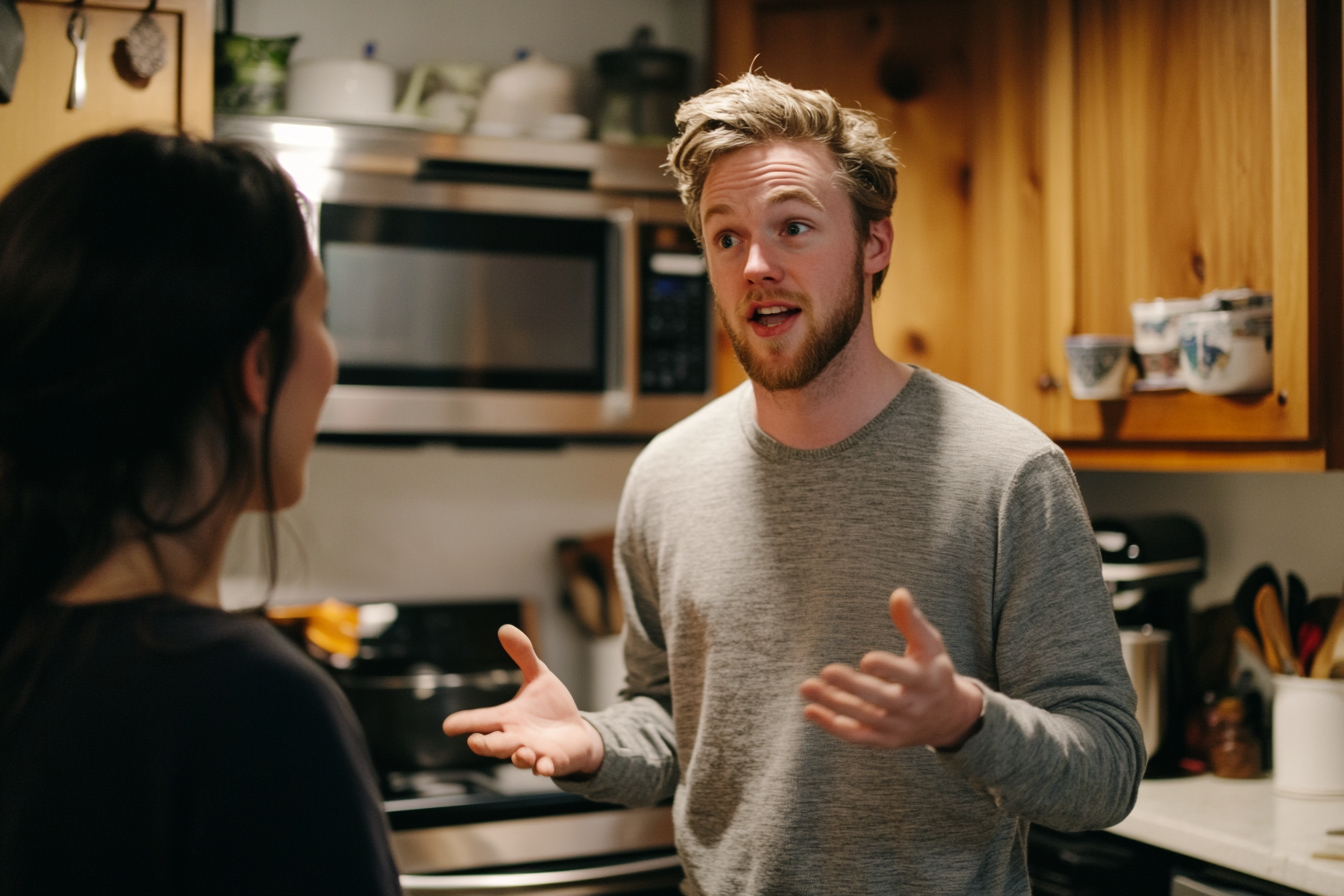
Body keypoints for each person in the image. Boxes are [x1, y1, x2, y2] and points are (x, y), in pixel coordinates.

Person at [444, 73, 1145, 895]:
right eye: (726, 237)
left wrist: (968, 723)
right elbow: (671, 723)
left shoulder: (1007, 472)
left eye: (795, 228)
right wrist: (598, 746)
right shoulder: (665, 478)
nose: (757, 265)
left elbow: (1107, 768)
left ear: (875, 244)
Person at [0, 131, 401, 895]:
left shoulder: (26, 647)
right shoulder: (249, 704)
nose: (330, 356)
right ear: (256, 368)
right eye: (318, 314)